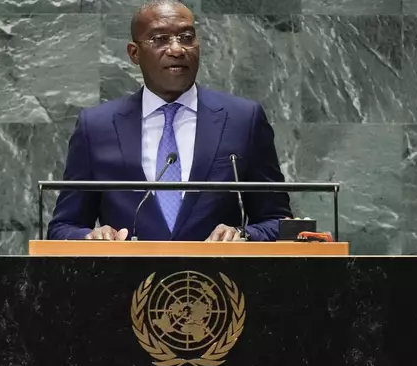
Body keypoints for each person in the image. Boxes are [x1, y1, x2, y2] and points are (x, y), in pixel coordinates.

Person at [47, 0, 292, 242]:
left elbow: (279, 222)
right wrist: (91, 236)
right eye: (160, 39)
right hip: (126, 279)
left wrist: (243, 235)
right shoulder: (97, 126)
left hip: (217, 278)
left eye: (186, 37)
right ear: (134, 53)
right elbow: (63, 227)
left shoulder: (242, 119)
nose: (177, 49)